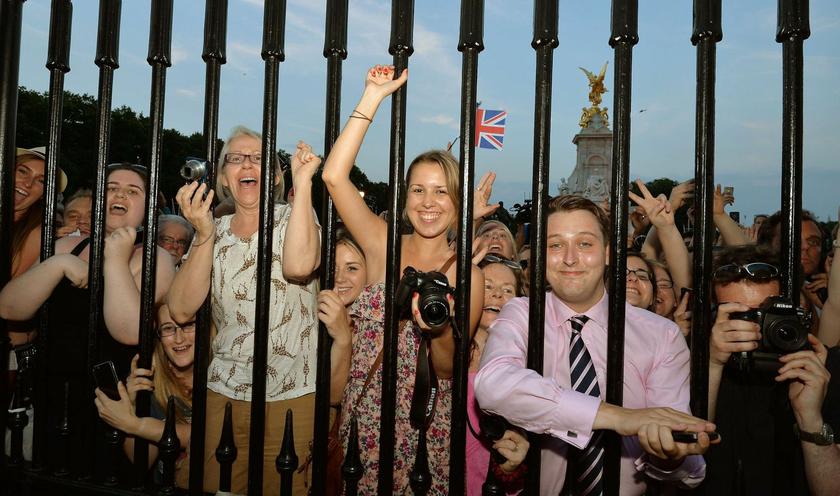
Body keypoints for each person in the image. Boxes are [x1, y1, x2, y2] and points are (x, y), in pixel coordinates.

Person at [475, 194, 715, 495]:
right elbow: (493, 384)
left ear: (607, 253)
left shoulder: (660, 335)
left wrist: (666, 456)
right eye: (555, 245)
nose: (570, 258)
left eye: (585, 244)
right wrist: (620, 417)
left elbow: (690, 470)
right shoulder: (522, 314)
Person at [321, 64, 484, 494]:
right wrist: (373, 96)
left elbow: (449, 370)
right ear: (405, 195)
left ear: (457, 200)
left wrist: (440, 327)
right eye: (417, 190)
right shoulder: (382, 244)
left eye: (441, 191)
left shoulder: (469, 273)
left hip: (425, 420)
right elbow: (334, 177)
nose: (428, 203)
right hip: (367, 411)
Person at [167, 127, 321, 495]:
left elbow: (299, 267)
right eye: (235, 158)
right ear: (222, 177)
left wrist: (303, 184)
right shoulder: (213, 230)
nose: (247, 164)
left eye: (258, 158)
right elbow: (181, 309)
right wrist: (202, 234)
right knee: (217, 488)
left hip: (293, 389)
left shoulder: (296, 217)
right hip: (225, 387)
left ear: (275, 175)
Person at [0, 162, 174, 475]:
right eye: (111, 188)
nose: (120, 193)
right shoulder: (67, 245)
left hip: (115, 399)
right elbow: (10, 308)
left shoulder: (156, 258)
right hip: (54, 393)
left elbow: (129, 330)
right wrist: (59, 264)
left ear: (148, 208)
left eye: (132, 190)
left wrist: (116, 261)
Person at [703, 244, 840, 495]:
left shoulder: (823, 372)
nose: (755, 328)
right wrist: (711, 365)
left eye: (765, 314)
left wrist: (810, 418)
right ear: (713, 317)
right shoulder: (689, 361)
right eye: (740, 316)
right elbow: (678, 467)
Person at [94, 304, 194, 487]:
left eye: (188, 325)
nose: (179, 338)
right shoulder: (152, 379)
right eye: (168, 328)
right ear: (159, 337)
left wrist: (134, 424)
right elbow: (141, 461)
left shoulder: (222, 374)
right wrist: (133, 407)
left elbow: (205, 436)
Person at [467, 254, 529, 495]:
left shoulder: (531, 357)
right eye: (487, 286)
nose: (496, 295)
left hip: (500, 481)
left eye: (507, 290)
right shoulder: (443, 351)